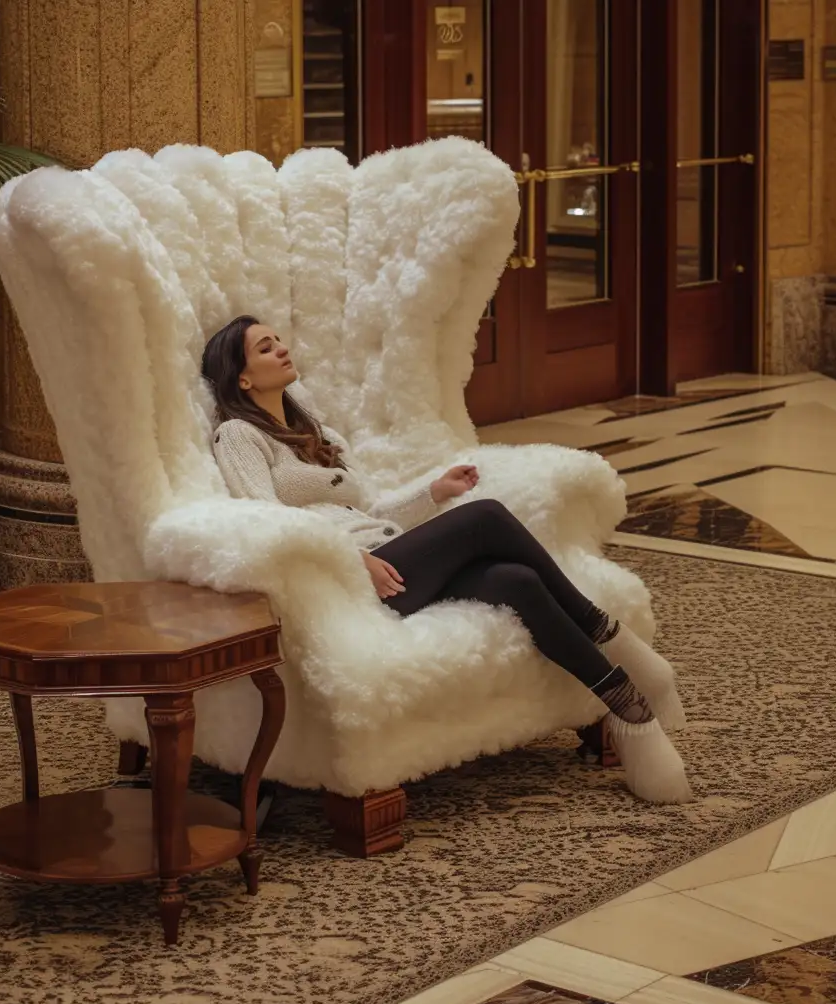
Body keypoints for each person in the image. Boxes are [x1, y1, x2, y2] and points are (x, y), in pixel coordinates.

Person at [202, 314, 691, 805]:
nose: (282, 349)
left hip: (385, 558)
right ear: (242, 377)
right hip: (347, 579)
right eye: (265, 348)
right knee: (487, 518)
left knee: (516, 580)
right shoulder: (239, 435)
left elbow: (366, 511)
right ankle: (606, 631)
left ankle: (628, 710)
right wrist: (350, 559)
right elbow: (266, 522)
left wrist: (433, 492)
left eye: (279, 340)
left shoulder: (317, 431)